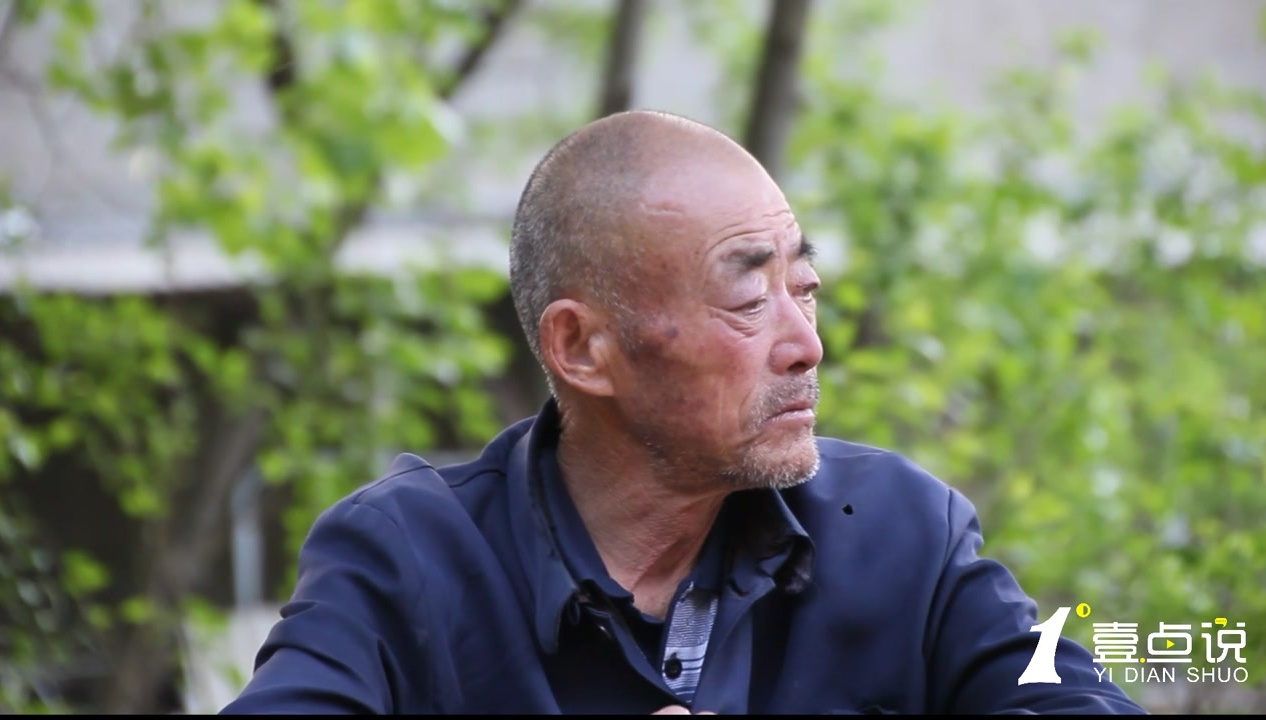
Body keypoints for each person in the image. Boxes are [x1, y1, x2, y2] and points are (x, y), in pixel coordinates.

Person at [220, 110, 1147, 715]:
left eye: (805, 290)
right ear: (582, 347)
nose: (807, 345)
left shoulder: (903, 532)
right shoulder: (407, 558)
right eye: (748, 301)